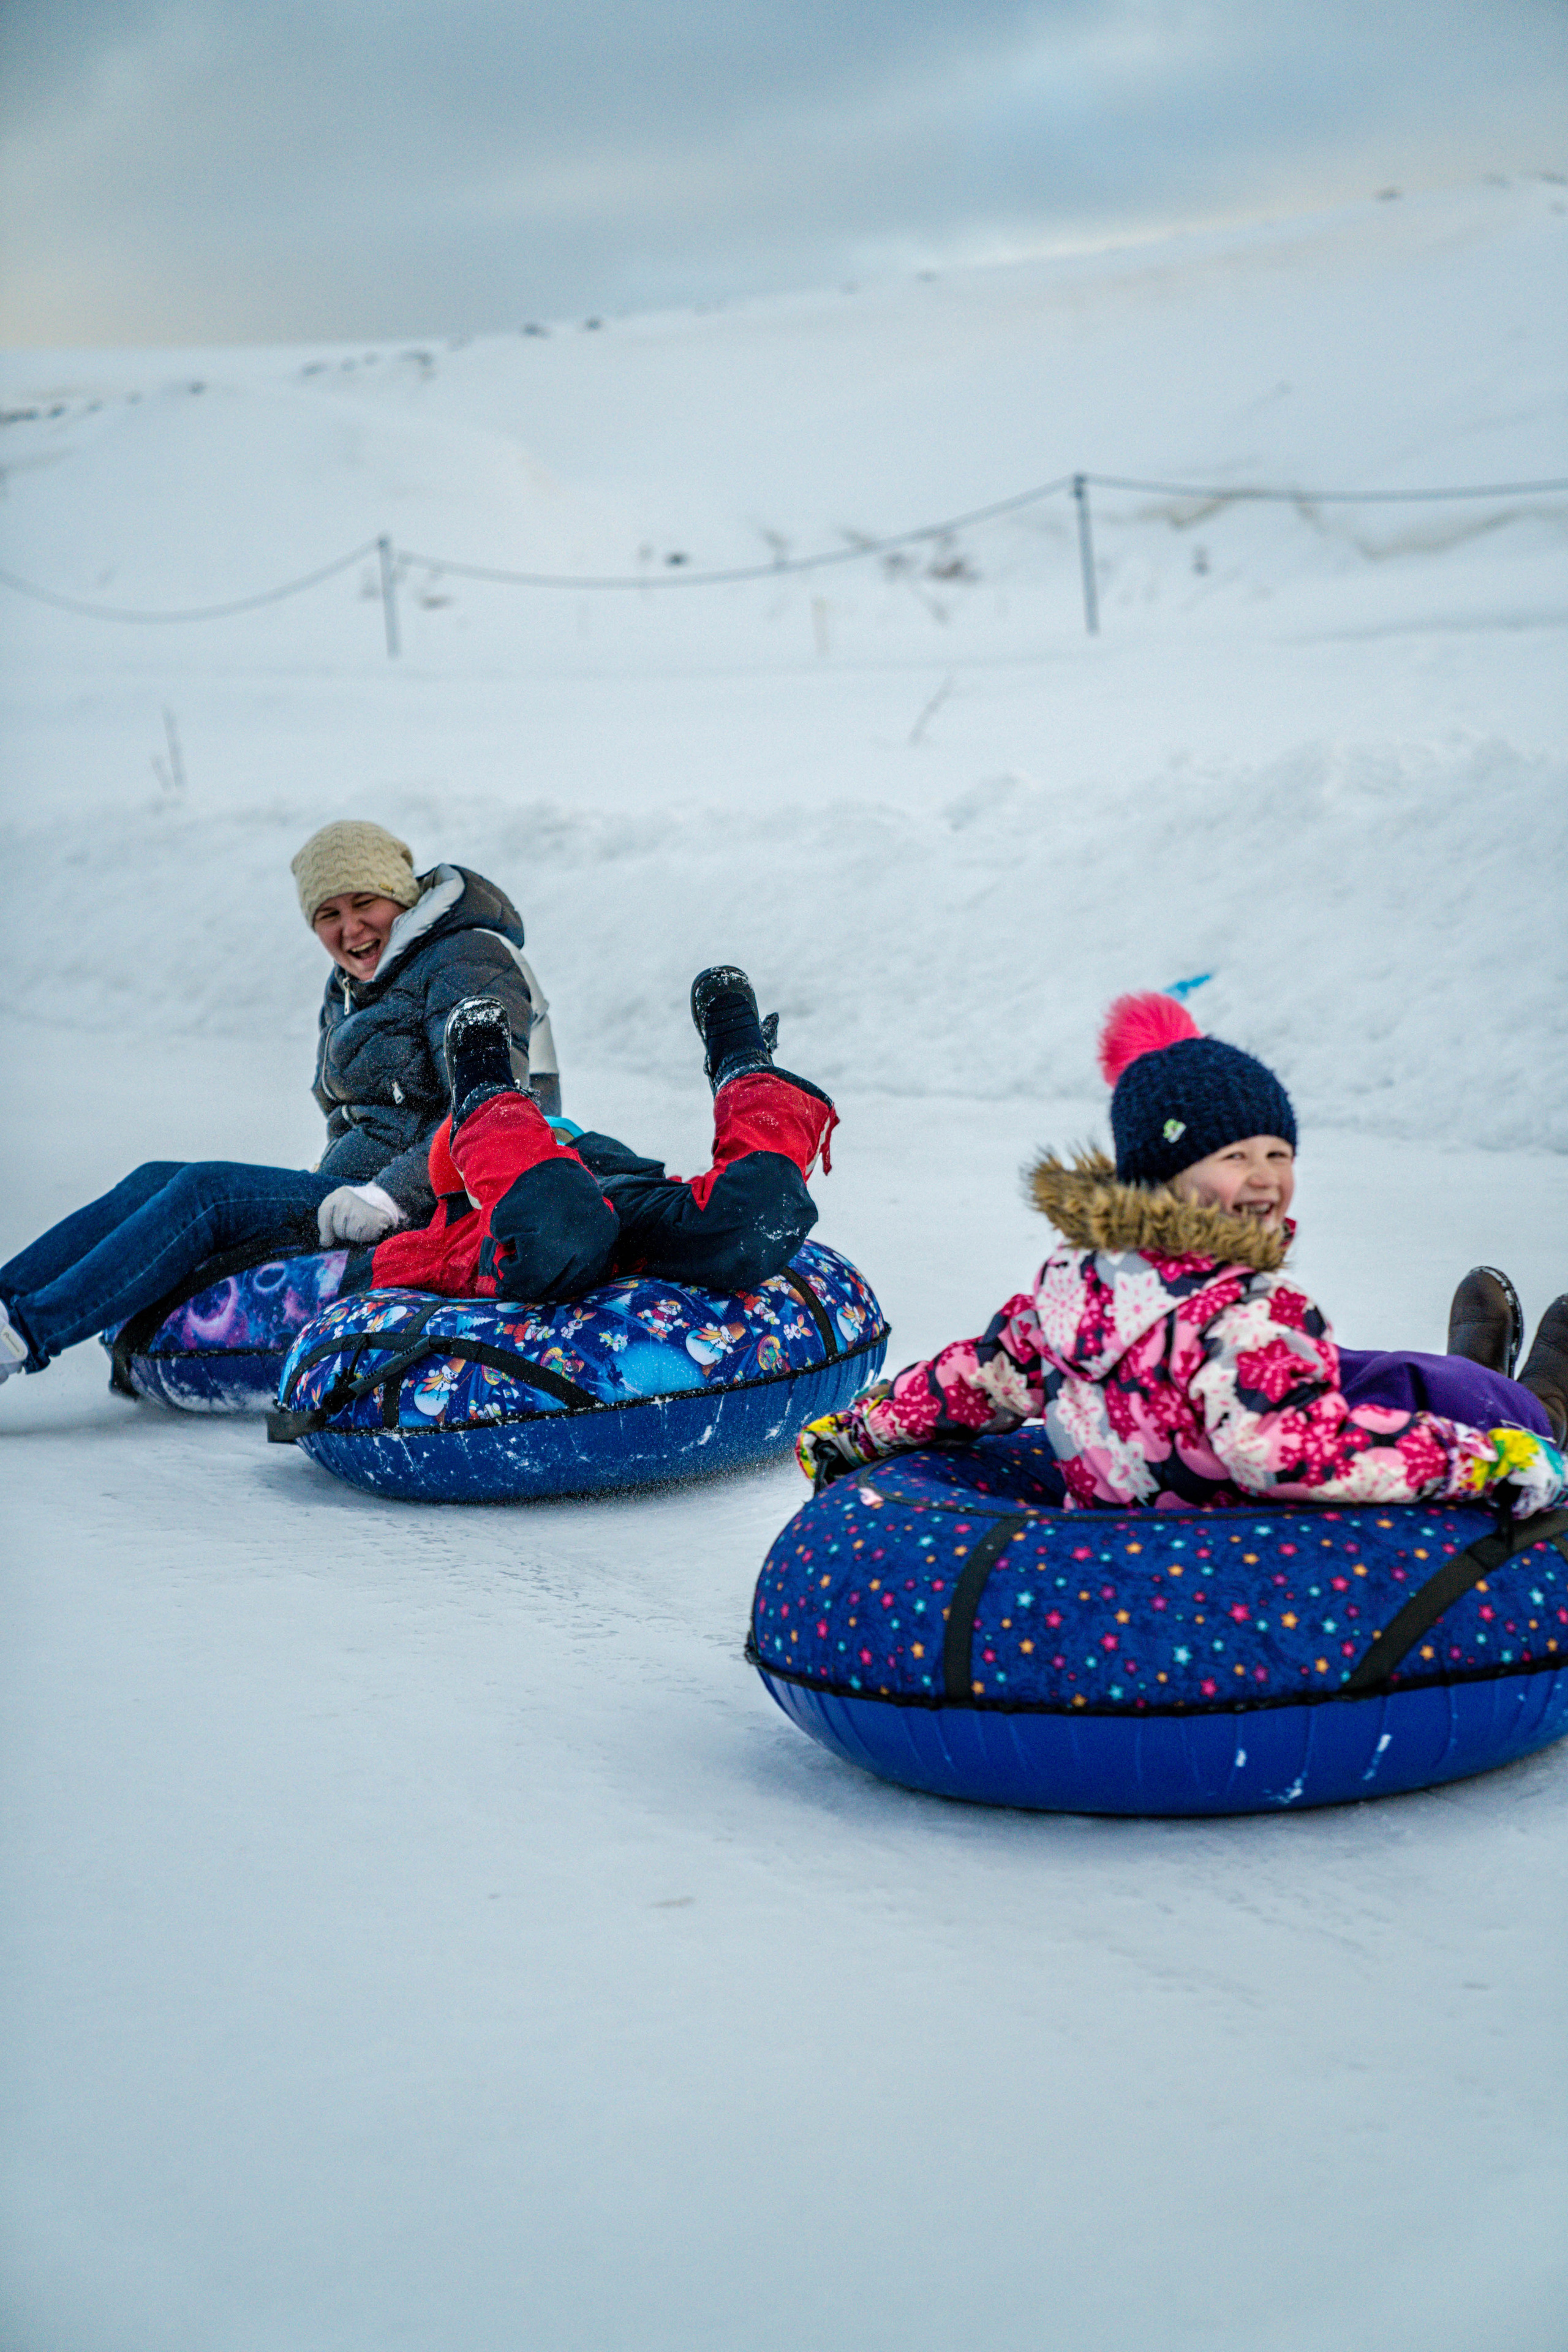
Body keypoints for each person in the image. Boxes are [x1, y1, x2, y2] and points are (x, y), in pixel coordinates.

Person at [796, 991, 1567, 1521]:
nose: (1266, 1176)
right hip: (1235, 1554)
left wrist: (858, 1434)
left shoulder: (1073, 1289)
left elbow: (970, 1379)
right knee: (1406, 1396)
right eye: (1235, 1157)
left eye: (1278, 1151)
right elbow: (1279, 1449)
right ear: (1163, 1176)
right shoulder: (1242, 1318)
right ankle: (1538, 1420)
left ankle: (1478, 1391)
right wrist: (1480, 1465)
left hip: (1110, 1526)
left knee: (1368, 1373)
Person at [0, 822, 553, 1379]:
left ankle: (23, 1335)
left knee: (209, 1193)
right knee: (155, 1177)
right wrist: (329, 1181)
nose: (350, 928)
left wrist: (387, 1197)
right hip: (350, 1195)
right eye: (327, 915)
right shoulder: (352, 983)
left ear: (402, 898)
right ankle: (6, 1301)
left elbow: (489, 1107)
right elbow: (356, 1117)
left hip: (439, 1202)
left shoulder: (467, 958)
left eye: (365, 903)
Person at [344, 968, 837, 1306]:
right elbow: (381, 1274)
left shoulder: (587, 1153)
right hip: (506, 1220)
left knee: (754, 1211)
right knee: (561, 1223)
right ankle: (485, 1090)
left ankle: (743, 1062)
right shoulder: (438, 1237)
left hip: (622, 1192)